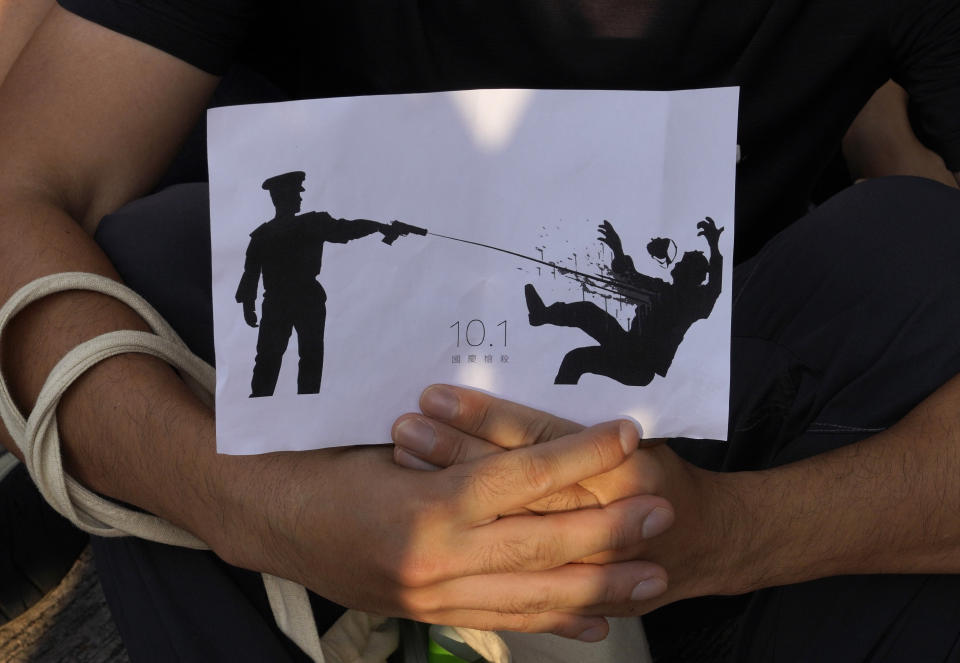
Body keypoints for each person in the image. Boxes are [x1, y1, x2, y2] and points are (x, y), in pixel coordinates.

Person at [0, 2, 958, 662]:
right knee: (152, 264)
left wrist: (732, 536)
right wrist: (260, 508)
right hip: (342, 423)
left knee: (917, 254)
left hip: (698, 421)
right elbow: (24, 192)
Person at [236, 171, 414, 396]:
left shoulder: (262, 235)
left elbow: (250, 275)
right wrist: (379, 227)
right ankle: (300, 399)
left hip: (278, 302)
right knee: (305, 356)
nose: (301, 198)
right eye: (297, 193)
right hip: (303, 299)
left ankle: (266, 398)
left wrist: (248, 305)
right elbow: (347, 229)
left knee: (271, 358)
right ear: (286, 197)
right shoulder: (310, 223)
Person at [524, 218, 722, 385]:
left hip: (639, 366)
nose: (678, 263)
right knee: (586, 314)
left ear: (691, 274)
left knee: (576, 359)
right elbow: (630, 276)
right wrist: (618, 250)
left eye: (684, 262)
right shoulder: (661, 288)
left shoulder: (696, 302)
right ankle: (541, 315)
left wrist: (714, 247)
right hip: (628, 346)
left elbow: (714, 288)